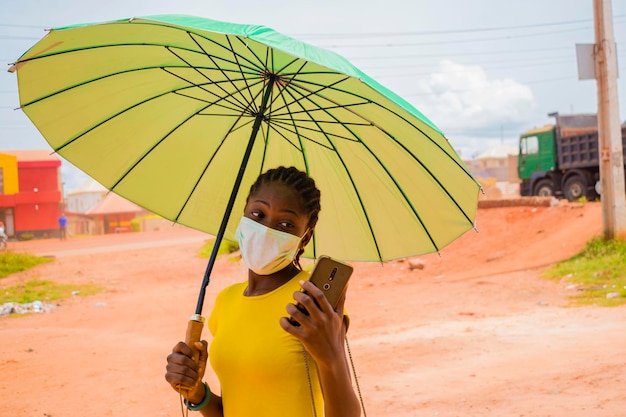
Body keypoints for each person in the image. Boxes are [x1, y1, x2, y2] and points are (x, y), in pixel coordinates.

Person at [165, 166, 361, 417]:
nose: (267, 229)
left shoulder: (312, 303)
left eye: (286, 223)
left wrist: (330, 357)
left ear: (306, 235)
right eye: (257, 214)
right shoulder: (227, 300)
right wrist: (196, 394)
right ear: (243, 213)